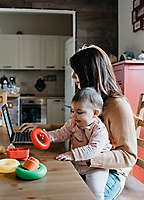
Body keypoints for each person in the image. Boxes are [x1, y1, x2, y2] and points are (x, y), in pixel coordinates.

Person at [19, 45, 137, 200]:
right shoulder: (86, 100)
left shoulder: (117, 105)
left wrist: (86, 158)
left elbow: (128, 156)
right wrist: (44, 129)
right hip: (82, 162)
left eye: (77, 71)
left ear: (90, 73)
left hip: (110, 171)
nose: (74, 75)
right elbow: (72, 127)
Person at [48, 87, 112, 200]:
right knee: (62, 184)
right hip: (77, 163)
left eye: (79, 112)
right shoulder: (73, 123)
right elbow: (61, 133)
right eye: (72, 111)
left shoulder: (99, 130)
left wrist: (72, 154)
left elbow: (93, 149)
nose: (74, 116)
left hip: (95, 167)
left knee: (95, 194)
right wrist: (48, 137)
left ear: (95, 113)